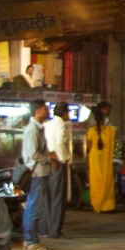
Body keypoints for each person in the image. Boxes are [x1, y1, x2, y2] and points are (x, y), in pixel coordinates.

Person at [20, 100, 53, 250]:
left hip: (40, 172)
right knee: (34, 206)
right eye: (45, 109)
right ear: (38, 111)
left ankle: (30, 239)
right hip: (37, 172)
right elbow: (33, 153)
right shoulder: (33, 129)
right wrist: (48, 159)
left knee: (33, 206)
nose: (48, 111)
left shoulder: (37, 128)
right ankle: (31, 241)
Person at [44, 102, 73, 239]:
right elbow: (60, 143)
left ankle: (49, 228)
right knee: (58, 197)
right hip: (58, 162)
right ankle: (54, 230)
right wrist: (65, 157)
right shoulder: (61, 125)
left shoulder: (48, 125)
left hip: (48, 162)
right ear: (64, 113)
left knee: (50, 196)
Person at [86, 101, 116, 213]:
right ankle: (108, 205)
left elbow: (88, 146)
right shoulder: (111, 130)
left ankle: (97, 203)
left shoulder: (91, 131)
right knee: (107, 180)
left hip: (95, 162)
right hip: (106, 162)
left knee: (95, 183)